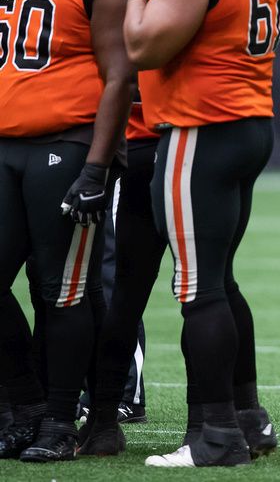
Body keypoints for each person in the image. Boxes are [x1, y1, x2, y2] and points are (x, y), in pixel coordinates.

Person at [122, 0, 280, 468]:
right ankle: (248, 417)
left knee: (197, 289)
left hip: (201, 128)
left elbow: (143, 44)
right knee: (221, 279)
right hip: (250, 124)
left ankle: (213, 437)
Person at [0, 0, 131, 462]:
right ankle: (22, 400)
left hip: (65, 142)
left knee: (62, 291)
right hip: (5, 145)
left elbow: (117, 75)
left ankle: (58, 417)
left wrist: (98, 166)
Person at [76, 93, 161, 457]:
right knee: (85, 278)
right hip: (92, 143)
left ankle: (127, 394)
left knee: (116, 276)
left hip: (133, 146)